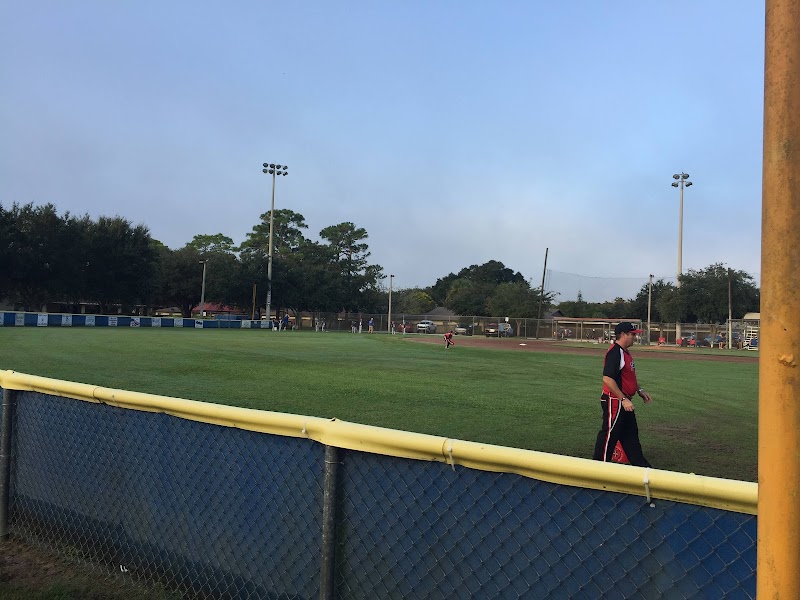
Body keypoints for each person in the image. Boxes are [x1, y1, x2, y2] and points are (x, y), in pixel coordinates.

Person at [593, 322, 653, 467]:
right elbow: (607, 378)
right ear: (624, 334)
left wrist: (639, 390)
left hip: (624, 401)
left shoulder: (625, 352)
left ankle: (642, 468)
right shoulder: (615, 352)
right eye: (633, 334)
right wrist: (623, 399)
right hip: (615, 401)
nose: (635, 337)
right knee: (609, 435)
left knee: (630, 435)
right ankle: (597, 468)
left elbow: (628, 377)